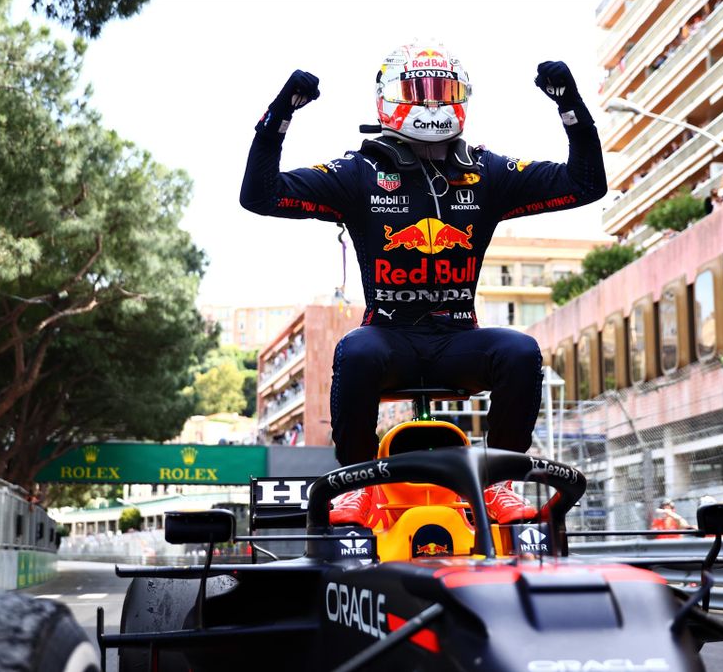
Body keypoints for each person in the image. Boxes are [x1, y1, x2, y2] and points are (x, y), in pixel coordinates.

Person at [240, 44, 607, 526]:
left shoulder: (486, 171)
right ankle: (358, 483)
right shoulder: (359, 173)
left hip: (458, 338)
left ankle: (497, 485)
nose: (432, 104)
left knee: (520, 350)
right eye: (420, 91)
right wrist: (280, 114)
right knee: (356, 350)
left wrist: (571, 106)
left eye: (444, 91)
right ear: (390, 98)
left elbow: (586, 186)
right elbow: (260, 195)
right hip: (388, 339)